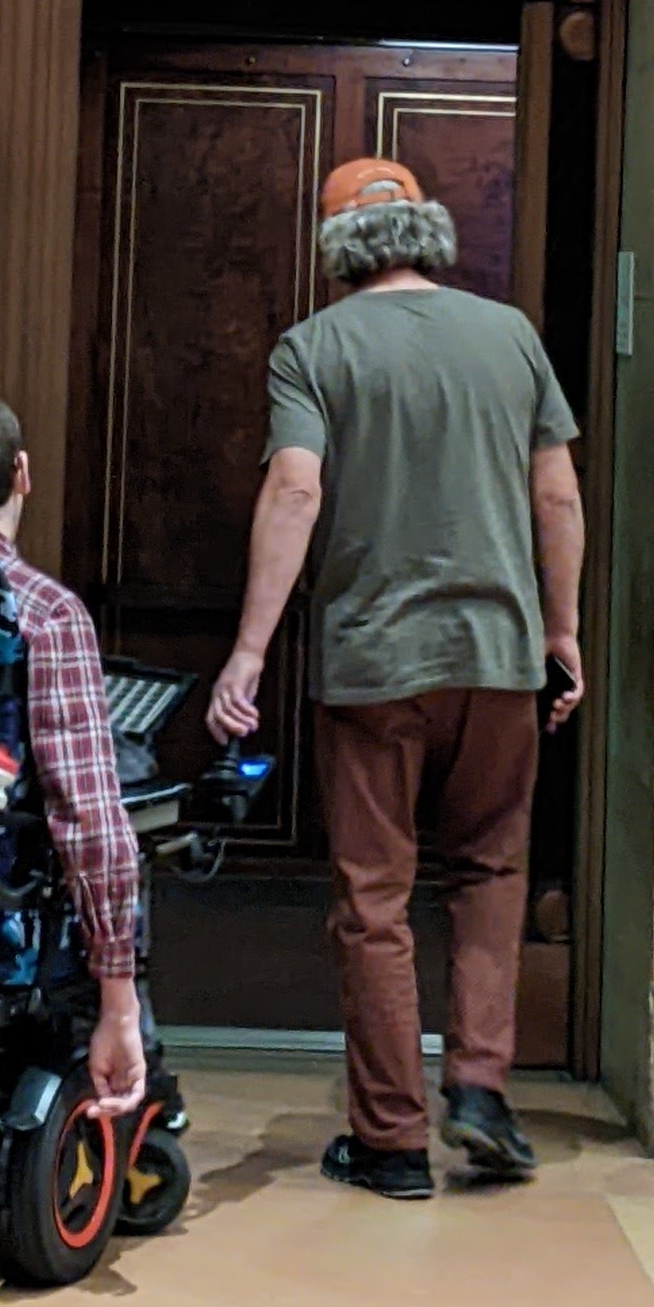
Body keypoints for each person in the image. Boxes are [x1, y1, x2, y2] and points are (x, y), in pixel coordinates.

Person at [210, 159, 583, 1198]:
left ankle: (391, 1140)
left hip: (375, 664)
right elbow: (556, 495)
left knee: (375, 898)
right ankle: (480, 1090)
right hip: (500, 655)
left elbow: (295, 486)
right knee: (490, 872)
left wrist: (247, 650)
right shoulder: (509, 335)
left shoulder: (315, 348)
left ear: (336, 250)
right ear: (427, 232)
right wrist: (563, 629)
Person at [0, 393, 151, 1117]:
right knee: (129, 836)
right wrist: (120, 1004)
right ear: (22, 474)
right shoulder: (43, 611)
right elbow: (88, 823)